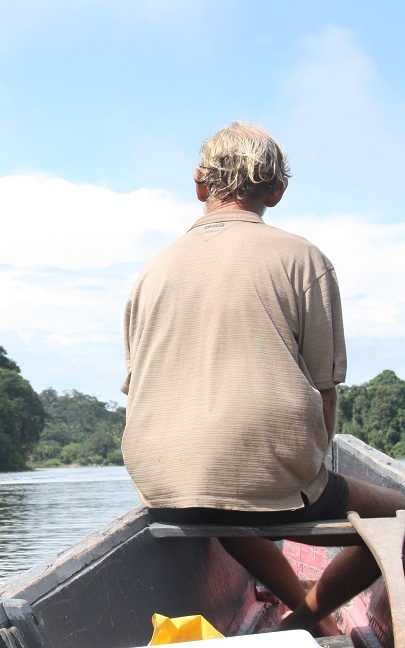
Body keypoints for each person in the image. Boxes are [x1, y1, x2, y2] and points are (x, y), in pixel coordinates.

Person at [120, 121, 405, 635]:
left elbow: (139, 386)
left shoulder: (150, 271)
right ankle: (308, 618)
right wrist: (311, 475)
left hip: (163, 485)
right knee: (401, 518)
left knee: (227, 495)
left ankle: (304, 619)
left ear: (200, 185)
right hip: (262, 479)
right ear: (277, 190)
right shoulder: (303, 258)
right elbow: (324, 393)